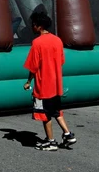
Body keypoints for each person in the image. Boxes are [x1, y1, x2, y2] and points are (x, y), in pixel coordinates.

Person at [23, 12, 76, 151]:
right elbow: (61, 61)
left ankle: (51, 142)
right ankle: (68, 134)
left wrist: (28, 82)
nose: (32, 27)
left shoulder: (37, 43)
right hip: (56, 84)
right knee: (57, 111)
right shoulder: (57, 40)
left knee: (45, 115)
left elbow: (33, 67)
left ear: (39, 26)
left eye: (33, 25)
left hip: (43, 85)